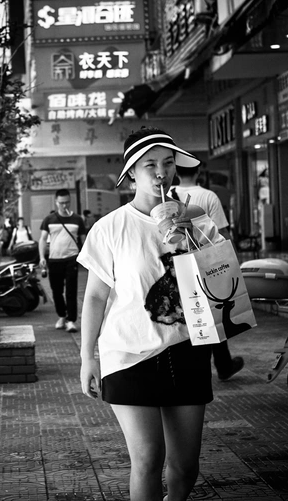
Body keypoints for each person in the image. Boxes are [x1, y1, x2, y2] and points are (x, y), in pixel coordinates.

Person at [78, 127, 223, 501]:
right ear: (131, 174)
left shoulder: (198, 221)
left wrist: (194, 239)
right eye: (150, 165)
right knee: (148, 458)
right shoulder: (110, 227)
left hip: (187, 349)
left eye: (168, 163)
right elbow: (95, 297)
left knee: (185, 465)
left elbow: (223, 280)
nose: (161, 173)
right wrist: (87, 357)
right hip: (128, 354)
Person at [172, 164, 244, 382]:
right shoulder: (208, 196)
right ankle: (222, 365)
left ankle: (207, 366)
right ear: (198, 173)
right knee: (213, 312)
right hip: (207, 262)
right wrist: (233, 261)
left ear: (175, 173)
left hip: (176, 265)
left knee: (188, 315)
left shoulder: (168, 196)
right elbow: (221, 231)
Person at [38, 189, 86, 333]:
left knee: (71, 290)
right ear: (56, 202)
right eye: (61, 203)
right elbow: (42, 239)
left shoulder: (77, 219)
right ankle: (62, 316)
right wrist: (42, 257)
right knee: (56, 291)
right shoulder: (49, 219)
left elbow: (84, 241)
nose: (64, 205)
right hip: (54, 259)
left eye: (67, 202)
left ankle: (71, 320)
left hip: (72, 258)